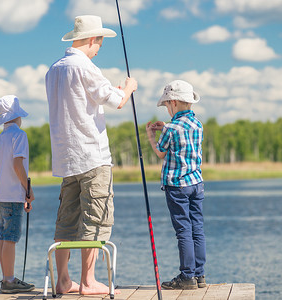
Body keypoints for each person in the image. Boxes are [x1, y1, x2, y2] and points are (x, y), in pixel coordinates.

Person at [45, 15, 138, 295]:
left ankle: (63, 281)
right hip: (93, 156)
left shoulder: (53, 69)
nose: (99, 49)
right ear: (90, 40)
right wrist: (129, 88)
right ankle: (88, 281)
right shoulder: (86, 67)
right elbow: (116, 101)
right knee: (96, 218)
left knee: (66, 220)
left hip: (65, 158)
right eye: (99, 43)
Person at [146, 80, 206, 290]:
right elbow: (184, 143)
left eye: (166, 106)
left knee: (183, 230)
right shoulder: (197, 124)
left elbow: (161, 152)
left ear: (173, 103)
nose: (167, 110)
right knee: (196, 228)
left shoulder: (171, 128)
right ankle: (199, 275)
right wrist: (166, 129)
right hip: (196, 184)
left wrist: (151, 136)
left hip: (177, 186)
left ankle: (186, 276)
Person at [0, 95, 35, 294]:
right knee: (10, 238)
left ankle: (6, 278)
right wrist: (27, 189)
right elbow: (17, 165)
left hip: (0, 194)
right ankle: (9, 281)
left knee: (4, 237)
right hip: (12, 195)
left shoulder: (1, 138)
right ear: (17, 116)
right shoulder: (19, 135)